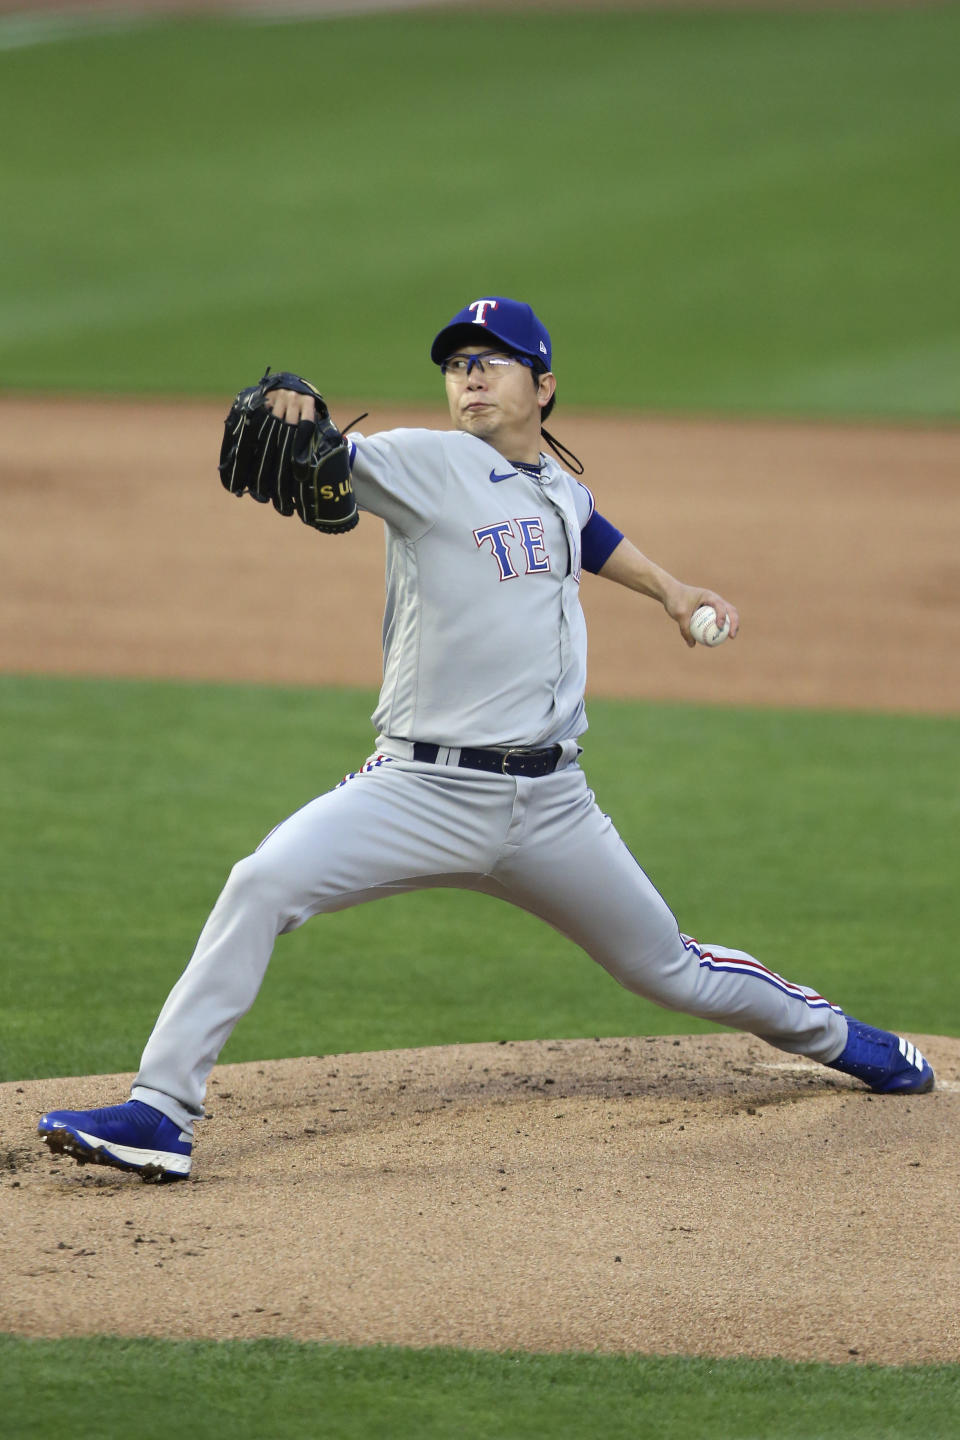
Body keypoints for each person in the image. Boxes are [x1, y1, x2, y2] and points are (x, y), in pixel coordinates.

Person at [38, 296, 934, 1182]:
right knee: (261, 882)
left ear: (543, 387)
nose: (467, 377)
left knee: (673, 970)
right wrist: (297, 419)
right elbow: (338, 463)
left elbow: (585, 528)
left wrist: (668, 588)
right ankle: (159, 1113)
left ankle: (852, 1043)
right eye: (456, 364)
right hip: (417, 793)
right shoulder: (423, 463)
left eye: (489, 360)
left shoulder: (555, 483)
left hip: (553, 809)